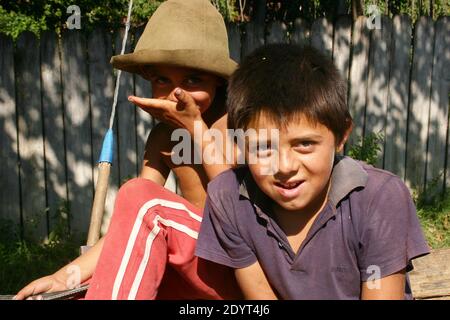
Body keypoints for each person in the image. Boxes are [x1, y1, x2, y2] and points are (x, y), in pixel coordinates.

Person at [15, 0, 241, 300]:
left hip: (239, 269)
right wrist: (65, 276)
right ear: (149, 79)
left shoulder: (240, 125)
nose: (177, 93)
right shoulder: (164, 136)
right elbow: (137, 223)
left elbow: (240, 219)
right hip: (194, 268)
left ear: (218, 78)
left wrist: (197, 130)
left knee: (138, 194)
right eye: (163, 80)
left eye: (193, 79)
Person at [194, 43, 430, 300]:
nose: (285, 167)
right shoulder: (228, 198)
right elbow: (261, 295)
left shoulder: (378, 198)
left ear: (342, 135)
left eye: (305, 144)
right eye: (263, 148)